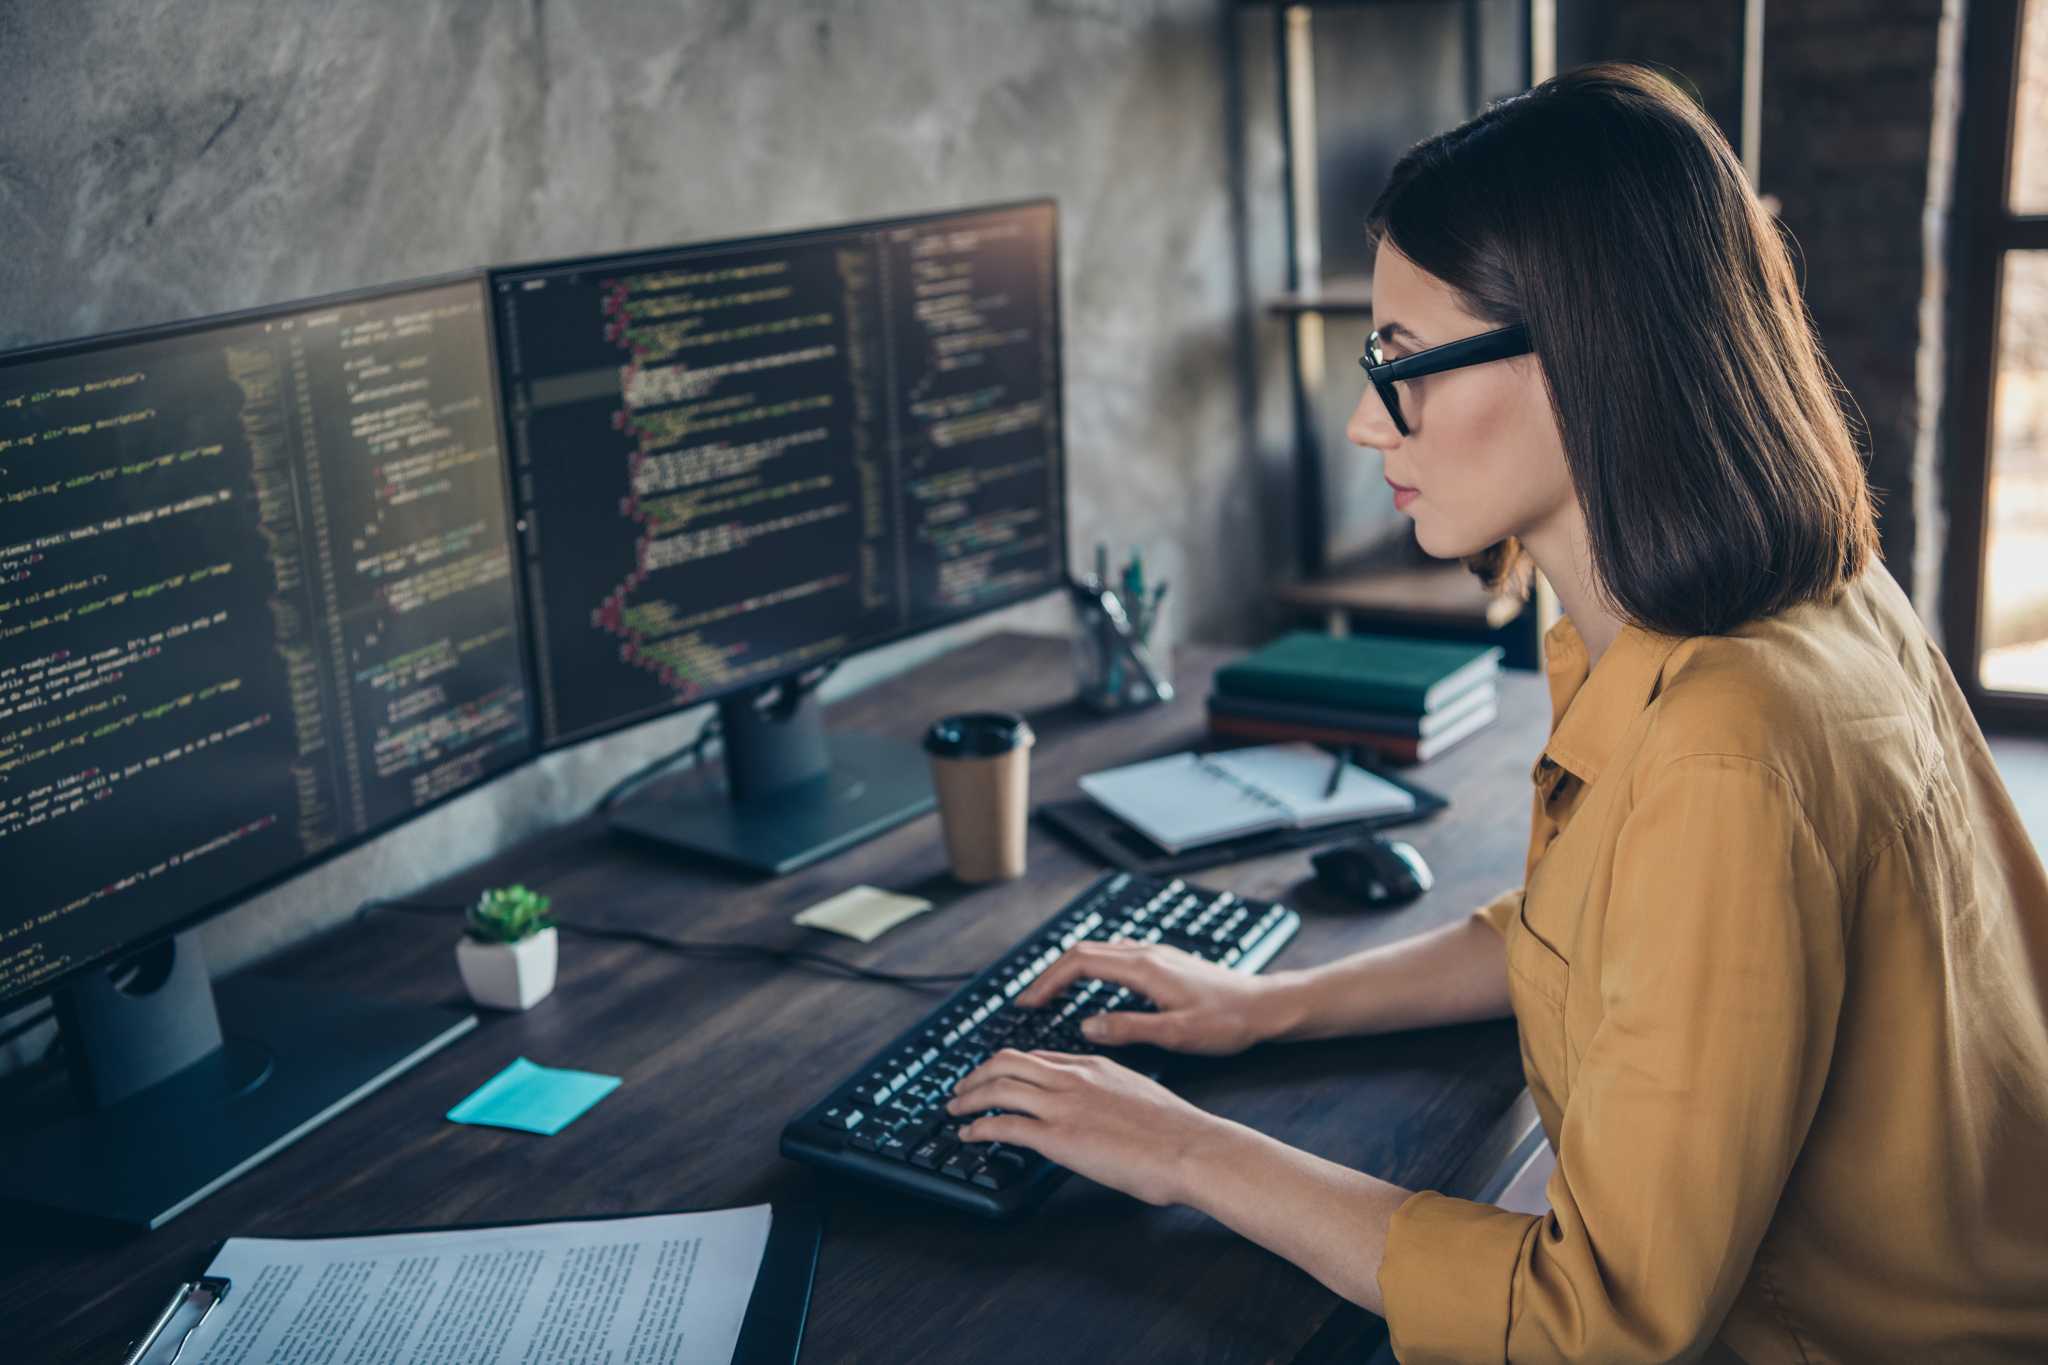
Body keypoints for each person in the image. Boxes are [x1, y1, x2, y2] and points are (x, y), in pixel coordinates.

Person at [948, 63, 2048, 1363]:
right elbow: (1589, 929)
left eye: (1403, 362)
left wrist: (1183, 1148)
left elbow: (1597, 1323)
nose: (1367, 419)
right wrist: (1264, 1003)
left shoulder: (1729, 740)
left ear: (1589, 355)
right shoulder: (1757, 582)